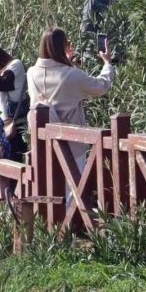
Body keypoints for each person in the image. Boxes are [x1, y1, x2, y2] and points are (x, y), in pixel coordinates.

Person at [27, 27, 113, 201]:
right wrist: (107, 64)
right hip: (71, 143)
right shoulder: (71, 75)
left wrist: (67, 63)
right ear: (63, 47)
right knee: (72, 192)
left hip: (42, 142)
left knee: (48, 189)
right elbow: (101, 86)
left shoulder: (31, 73)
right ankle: (70, 227)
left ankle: (51, 226)